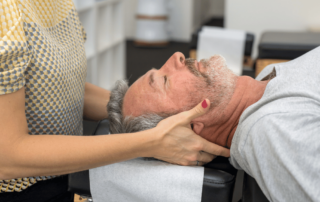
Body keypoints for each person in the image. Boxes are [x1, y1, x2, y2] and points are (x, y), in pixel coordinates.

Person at [0, 1, 230, 201]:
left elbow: (57, 89)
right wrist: (151, 140)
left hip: (62, 174)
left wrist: (146, 117)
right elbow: (6, 157)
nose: (177, 57)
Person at [107, 48, 320, 201]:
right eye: (164, 80)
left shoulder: (264, 82)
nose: (176, 56)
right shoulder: (270, 131)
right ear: (188, 128)